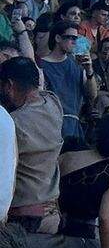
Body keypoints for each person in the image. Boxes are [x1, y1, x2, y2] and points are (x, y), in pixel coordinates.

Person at [0, 56, 64, 230]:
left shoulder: (11, 124)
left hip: (23, 219)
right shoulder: (53, 103)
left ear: (9, 86)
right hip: (51, 215)